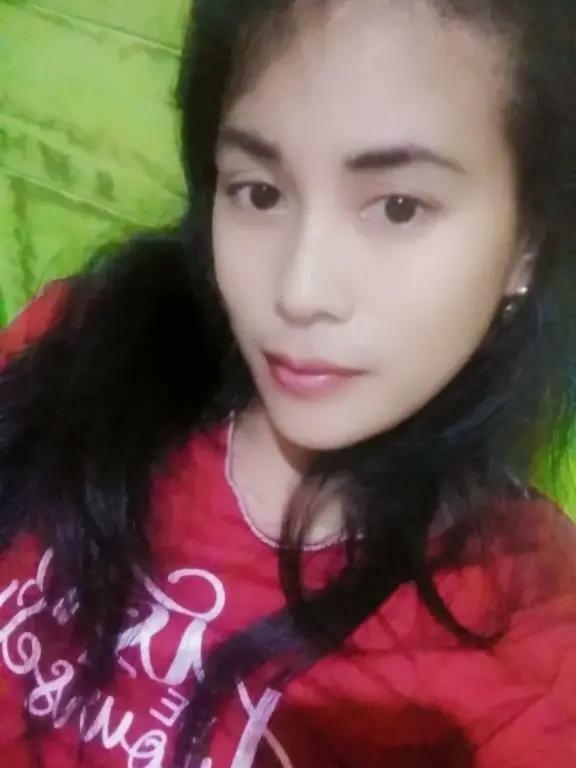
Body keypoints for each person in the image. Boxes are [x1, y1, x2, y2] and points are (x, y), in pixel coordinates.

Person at [0, 0, 575, 766]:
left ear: (528, 242)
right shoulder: (87, 343)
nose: (300, 291)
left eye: (398, 207)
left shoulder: (529, 648)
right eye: (260, 192)